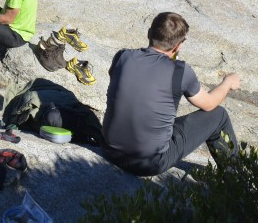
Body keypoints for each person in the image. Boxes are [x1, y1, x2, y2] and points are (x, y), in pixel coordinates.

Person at [101, 11, 240, 176]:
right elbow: (209, 103)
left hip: (110, 150)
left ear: (149, 33)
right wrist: (228, 83)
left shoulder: (123, 56)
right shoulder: (180, 71)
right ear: (179, 45)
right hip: (148, 162)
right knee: (219, 116)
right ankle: (236, 179)